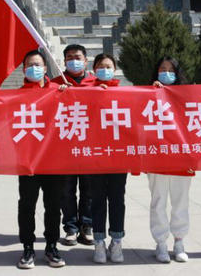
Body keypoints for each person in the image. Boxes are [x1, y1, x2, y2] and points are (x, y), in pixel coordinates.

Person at [16, 50, 68, 269]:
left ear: (46, 68)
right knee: (27, 205)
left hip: (53, 160)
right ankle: (28, 247)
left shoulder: (58, 90)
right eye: (29, 65)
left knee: (53, 206)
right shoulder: (17, 96)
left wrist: (69, 95)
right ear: (23, 69)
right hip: (28, 161)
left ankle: (51, 246)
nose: (34, 68)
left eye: (37, 64)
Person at [147, 57, 193, 263]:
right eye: (162, 69)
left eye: (171, 70)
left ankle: (179, 241)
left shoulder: (186, 94)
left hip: (181, 157)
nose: (166, 73)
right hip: (157, 157)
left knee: (180, 201)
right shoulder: (149, 93)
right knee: (158, 201)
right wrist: (153, 92)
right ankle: (161, 243)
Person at [51, 45, 95, 247]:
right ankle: (70, 227)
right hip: (64, 147)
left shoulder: (96, 83)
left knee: (89, 190)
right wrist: (56, 94)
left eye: (77, 57)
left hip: (90, 146)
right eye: (69, 58)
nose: (73, 61)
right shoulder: (55, 83)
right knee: (66, 191)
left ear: (86, 61)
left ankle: (87, 226)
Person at [86, 53, 127, 264]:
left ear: (115, 69)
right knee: (98, 200)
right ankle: (99, 242)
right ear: (94, 70)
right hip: (95, 155)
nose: (105, 70)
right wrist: (92, 95)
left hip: (119, 156)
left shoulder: (124, 92)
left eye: (109, 66)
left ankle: (117, 242)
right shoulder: (85, 91)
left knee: (117, 199)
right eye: (101, 67)